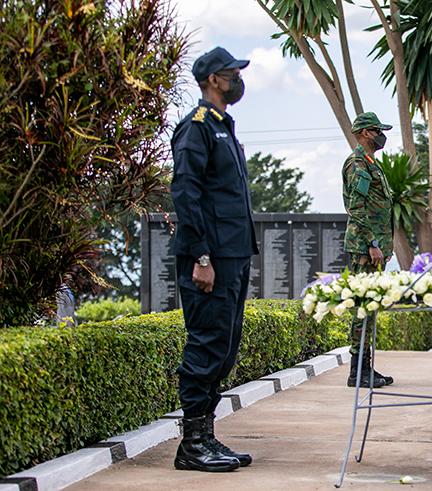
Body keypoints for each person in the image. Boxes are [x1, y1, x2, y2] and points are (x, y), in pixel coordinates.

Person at [170, 47, 257, 473]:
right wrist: (201, 255)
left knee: (224, 349)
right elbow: (187, 194)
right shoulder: (197, 128)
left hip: (234, 256)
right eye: (232, 74)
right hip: (210, 259)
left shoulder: (224, 127)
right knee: (205, 345)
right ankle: (191, 443)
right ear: (213, 80)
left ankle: (205, 434)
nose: (238, 80)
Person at [342, 112, 395, 388]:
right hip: (365, 249)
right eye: (377, 131)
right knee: (363, 308)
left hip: (374, 249)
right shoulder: (358, 163)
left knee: (370, 308)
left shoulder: (372, 162)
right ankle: (358, 372)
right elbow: (356, 207)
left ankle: (365, 369)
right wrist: (373, 244)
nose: (381, 135)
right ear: (364, 133)